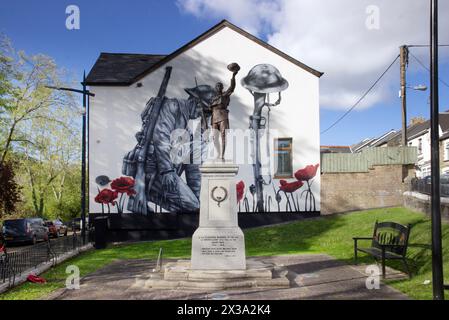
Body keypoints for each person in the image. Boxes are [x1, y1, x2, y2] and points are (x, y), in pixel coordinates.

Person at [209, 67, 239, 159]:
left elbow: (232, 87)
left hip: (222, 116)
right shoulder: (213, 99)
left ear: (222, 88)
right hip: (214, 118)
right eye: (217, 86)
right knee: (214, 137)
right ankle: (218, 153)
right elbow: (209, 110)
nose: (218, 87)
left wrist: (233, 76)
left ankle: (222, 154)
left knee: (223, 136)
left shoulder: (225, 95)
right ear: (215, 88)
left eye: (220, 86)